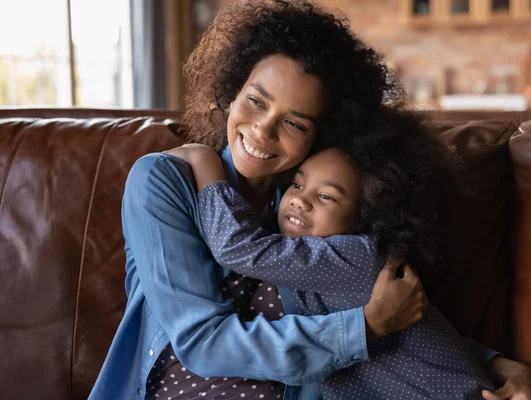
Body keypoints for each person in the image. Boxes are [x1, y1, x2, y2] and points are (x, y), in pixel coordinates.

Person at [90, 1, 531, 399]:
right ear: (231, 92)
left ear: (320, 133)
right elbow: (204, 343)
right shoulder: (165, 181)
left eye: (295, 123)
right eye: (255, 101)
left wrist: (499, 367)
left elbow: (390, 303)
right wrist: (366, 329)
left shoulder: (314, 202)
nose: (263, 130)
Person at [166, 105, 498, 399]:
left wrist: (204, 162)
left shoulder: (359, 259)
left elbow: (240, 248)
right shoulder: (319, 258)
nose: (300, 200)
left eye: (327, 196)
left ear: (365, 218)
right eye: (297, 184)